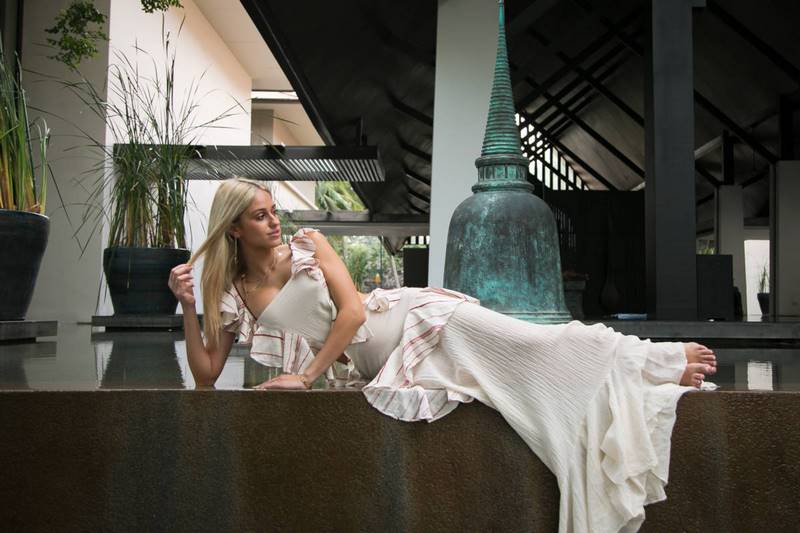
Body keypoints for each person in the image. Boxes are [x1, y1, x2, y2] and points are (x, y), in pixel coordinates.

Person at [168, 177, 717, 533]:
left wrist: (305, 377)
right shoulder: (234, 292)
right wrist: (189, 306)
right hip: (392, 366)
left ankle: (655, 363)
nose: (274, 222)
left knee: (537, 344)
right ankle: (643, 374)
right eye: (260, 216)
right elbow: (206, 375)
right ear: (234, 227)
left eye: (273, 211)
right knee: (522, 393)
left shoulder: (310, 245)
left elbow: (353, 313)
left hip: (419, 322)